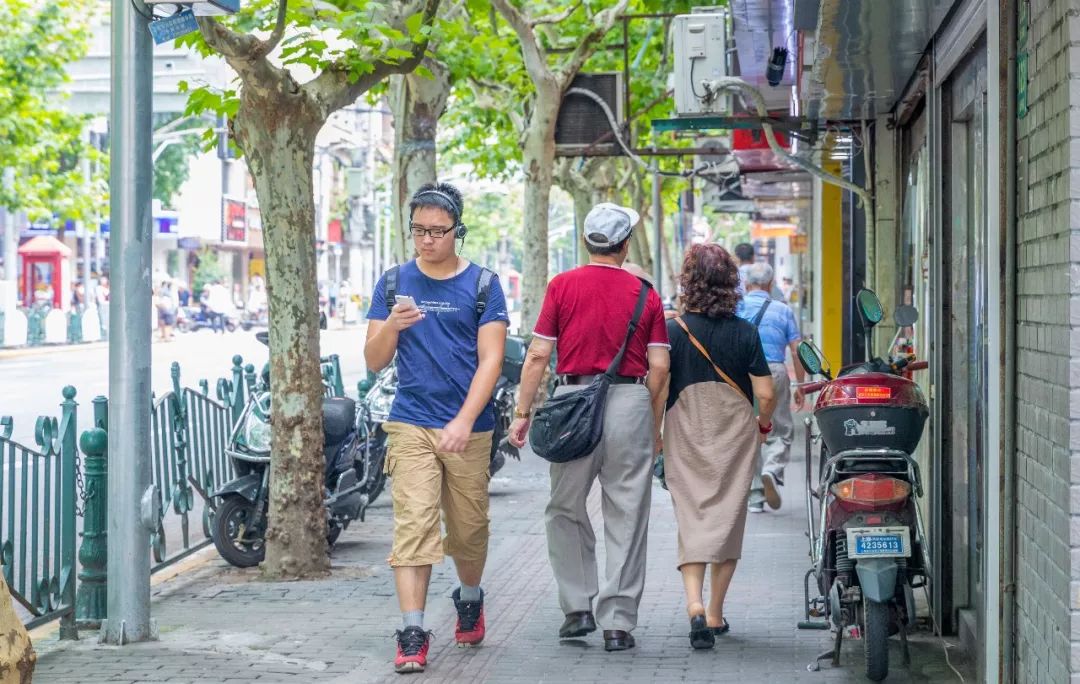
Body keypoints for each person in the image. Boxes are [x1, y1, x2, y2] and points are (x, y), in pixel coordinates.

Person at [509, 203, 670, 653]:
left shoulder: (562, 286)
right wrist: (652, 421)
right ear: (624, 245)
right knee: (628, 511)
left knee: (564, 505)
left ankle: (578, 607)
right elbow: (660, 366)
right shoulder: (646, 294)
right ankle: (617, 622)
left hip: (571, 403)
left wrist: (522, 413)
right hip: (630, 402)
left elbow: (539, 356)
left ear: (586, 242)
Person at [363, 182, 509, 674]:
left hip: (469, 426)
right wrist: (392, 327)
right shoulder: (392, 283)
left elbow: (491, 361)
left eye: (437, 231)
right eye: (419, 230)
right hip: (410, 421)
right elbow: (373, 360)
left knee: (468, 532)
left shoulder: (484, 285)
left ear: (457, 231)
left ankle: (469, 596)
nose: (427, 240)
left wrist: (465, 420)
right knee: (414, 525)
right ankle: (412, 630)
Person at [661, 243, 777, 649]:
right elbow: (765, 393)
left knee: (692, 518)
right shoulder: (745, 332)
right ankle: (714, 613)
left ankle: (692, 605)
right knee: (728, 518)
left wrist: (655, 434)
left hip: (685, 432)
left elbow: (658, 385)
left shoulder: (673, 330)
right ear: (732, 283)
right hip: (733, 436)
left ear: (688, 283)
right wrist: (763, 424)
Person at [737, 262, 805, 513]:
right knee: (782, 430)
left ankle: (755, 495)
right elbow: (797, 350)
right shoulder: (783, 310)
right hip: (774, 371)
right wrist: (801, 384)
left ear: (747, 284)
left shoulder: (738, 308)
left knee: (748, 431)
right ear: (770, 284)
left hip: (743, 373)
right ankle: (772, 469)